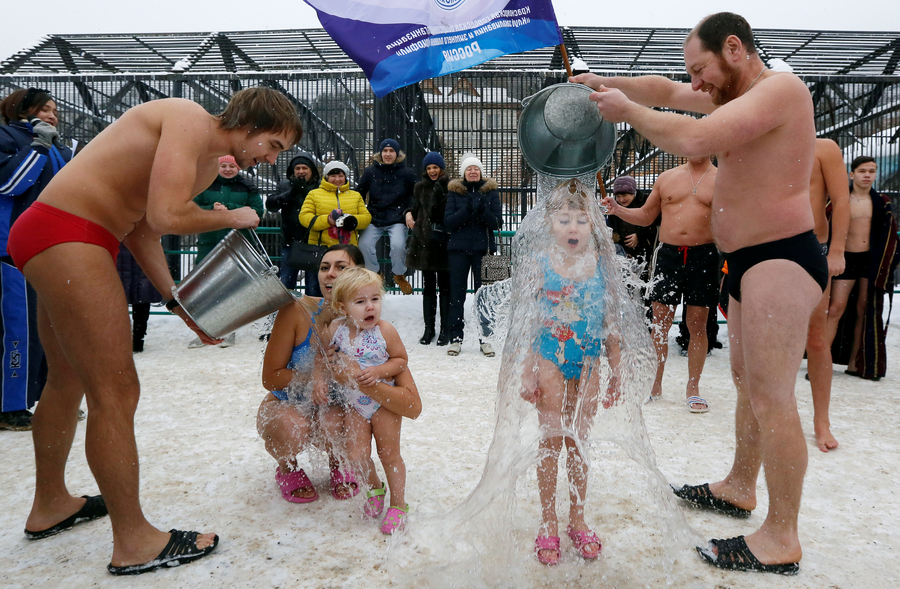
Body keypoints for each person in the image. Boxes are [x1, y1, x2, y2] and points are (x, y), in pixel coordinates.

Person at [8, 86, 303, 575]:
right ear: (251, 124)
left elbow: (144, 228)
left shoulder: (207, 164)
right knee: (116, 391)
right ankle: (135, 542)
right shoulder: (189, 119)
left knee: (67, 379)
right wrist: (232, 215)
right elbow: (169, 217)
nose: (272, 158)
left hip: (61, 232)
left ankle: (51, 504)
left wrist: (177, 301)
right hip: (71, 232)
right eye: (273, 145)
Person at [576, 12, 827, 574]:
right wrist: (603, 85)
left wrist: (627, 112)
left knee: (773, 397)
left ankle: (781, 537)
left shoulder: (781, 90)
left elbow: (690, 135)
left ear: (734, 48)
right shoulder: (733, 99)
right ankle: (740, 486)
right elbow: (667, 91)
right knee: (746, 382)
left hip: (781, 256)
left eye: (702, 70)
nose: (696, 85)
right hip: (746, 261)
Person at [259, 245, 422, 504]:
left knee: (335, 420)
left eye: (341, 267)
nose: (330, 274)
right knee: (294, 427)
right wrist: (323, 378)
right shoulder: (297, 311)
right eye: (325, 267)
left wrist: (365, 378)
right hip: (288, 403)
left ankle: (339, 464)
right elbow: (270, 378)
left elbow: (412, 405)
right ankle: (287, 466)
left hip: (342, 406)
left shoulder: (373, 324)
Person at [520, 179, 622, 566]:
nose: (574, 227)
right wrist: (527, 372)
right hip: (550, 356)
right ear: (550, 224)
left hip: (589, 359)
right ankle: (548, 520)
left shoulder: (601, 263)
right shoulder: (540, 262)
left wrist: (617, 370)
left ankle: (577, 517)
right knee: (550, 441)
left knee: (580, 440)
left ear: (594, 224)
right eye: (564, 219)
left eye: (582, 219)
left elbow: (612, 320)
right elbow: (528, 321)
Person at [602, 156, 719, 413]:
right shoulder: (667, 178)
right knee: (660, 323)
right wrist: (617, 209)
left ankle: (693, 387)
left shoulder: (721, 179)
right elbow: (646, 215)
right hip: (668, 255)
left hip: (705, 255)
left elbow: (733, 220)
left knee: (697, 323)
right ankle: (654, 385)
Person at [0, 88, 72, 431]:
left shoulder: (56, 146)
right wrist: (38, 147)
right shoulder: (7, 136)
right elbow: (9, 183)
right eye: (45, 109)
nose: (53, 116)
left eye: (55, 110)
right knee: (18, 329)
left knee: (51, 327)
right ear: (22, 110)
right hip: (11, 251)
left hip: (50, 251)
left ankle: (46, 395)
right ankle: (9, 405)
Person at [324, 267, 410, 533]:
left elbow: (400, 360)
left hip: (383, 402)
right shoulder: (335, 330)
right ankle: (375, 488)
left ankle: (398, 504)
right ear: (343, 307)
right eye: (360, 302)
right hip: (355, 403)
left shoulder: (385, 331)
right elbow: (326, 357)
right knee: (356, 454)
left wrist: (379, 371)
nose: (370, 307)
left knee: (389, 455)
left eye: (375, 299)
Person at [826, 156, 899, 380]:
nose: (867, 175)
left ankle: (854, 363)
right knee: (835, 309)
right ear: (852, 174)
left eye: (872, 171)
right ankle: (822, 363)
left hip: (870, 261)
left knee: (864, 312)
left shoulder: (881, 202)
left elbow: (889, 236)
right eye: (862, 171)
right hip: (845, 259)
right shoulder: (840, 200)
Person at [189, 154, 264, 348]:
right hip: (209, 243)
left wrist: (228, 208)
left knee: (231, 288)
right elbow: (191, 208)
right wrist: (210, 208)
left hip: (236, 244)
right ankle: (203, 331)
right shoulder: (204, 184)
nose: (228, 169)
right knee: (204, 289)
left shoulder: (248, 187)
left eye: (231, 166)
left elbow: (257, 211)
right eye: (223, 165)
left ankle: (228, 330)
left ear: (238, 168)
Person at [804, 138, 849, 451]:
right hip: (768, 248)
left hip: (812, 247)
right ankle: (772, 415)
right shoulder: (762, 141)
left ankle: (822, 421)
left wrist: (836, 251)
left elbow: (841, 200)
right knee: (770, 339)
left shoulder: (823, 148)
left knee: (817, 339)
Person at [443, 153, 502, 357]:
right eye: (469, 169)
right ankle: (455, 339)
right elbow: (449, 222)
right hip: (458, 250)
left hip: (483, 250)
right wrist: (468, 210)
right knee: (456, 296)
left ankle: (486, 339)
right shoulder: (454, 193)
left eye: (476, 168)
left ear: (481, 172)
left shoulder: (491, 192)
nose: (473, 172)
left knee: (484, 297)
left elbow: (497, 222)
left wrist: (483, 209)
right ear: (464, 173)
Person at [357, 139, 418, 294]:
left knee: (397, 246)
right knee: (363, 244)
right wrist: (359, 212)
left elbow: (418, 196)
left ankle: (399, 274)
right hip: (374, 217)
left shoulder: (407, 173)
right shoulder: (370, 172)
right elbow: (358, 194)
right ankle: (375, 274)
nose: (388, 154)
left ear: (397, 154)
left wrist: (411, 211)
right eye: (385, 151)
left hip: (397, 218)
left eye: (391, 151)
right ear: (380, 153)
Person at [405, 151, 451, 345]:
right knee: (428, 288)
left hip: (443, 242)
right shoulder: (419, 187)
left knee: (445, 288)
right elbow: (414, 207)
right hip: (424, 243)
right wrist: (408, 213)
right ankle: (429, 329)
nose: (432, 171)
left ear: (441, 168)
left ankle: (445, 330)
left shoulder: (450, 186)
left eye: (435, 167)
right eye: (429, 168)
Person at [267, 151, 321, 294]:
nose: (301, 172)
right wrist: (291, 193)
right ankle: (286, 314)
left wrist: (304, 192)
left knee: (313, 286)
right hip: (290, 241)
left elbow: (321, 208)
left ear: (312, 171)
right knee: (286, 284)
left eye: (305, 168)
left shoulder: (320, 187)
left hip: (313, 242)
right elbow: (271, 204)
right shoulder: (284, 185)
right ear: (292, 171)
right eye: (297, 169)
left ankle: (313, 315)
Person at [299, 161, 371, 251]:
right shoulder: (314, 194)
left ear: (345, 177)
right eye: (333, 176)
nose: (337, 179)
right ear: (326, 177)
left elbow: (366, 218)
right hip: (321, 247)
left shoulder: (356, 195)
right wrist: (327, 220)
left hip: (349, 248)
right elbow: (304, 217)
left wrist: (351, 221)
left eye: (341, 176)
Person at [116, 244, 162, 353]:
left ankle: (130, 340)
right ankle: (136, 340)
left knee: (122, 301)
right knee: (139, 300)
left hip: (124, 258)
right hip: (139, 257)